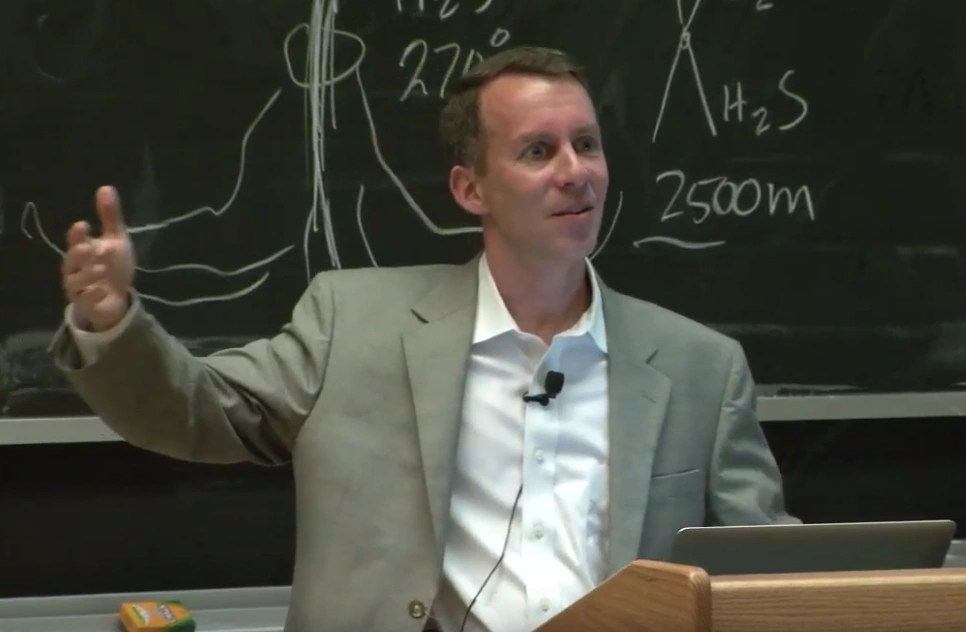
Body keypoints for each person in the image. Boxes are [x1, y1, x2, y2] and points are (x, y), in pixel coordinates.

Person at [52, 46, 798, 632]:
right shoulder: (353, 323)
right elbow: (190, 411)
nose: (577, 173)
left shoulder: (701, 367)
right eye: (539, 152)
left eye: (588, 144)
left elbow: (777, 579)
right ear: (471, 190)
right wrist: (113, 319)